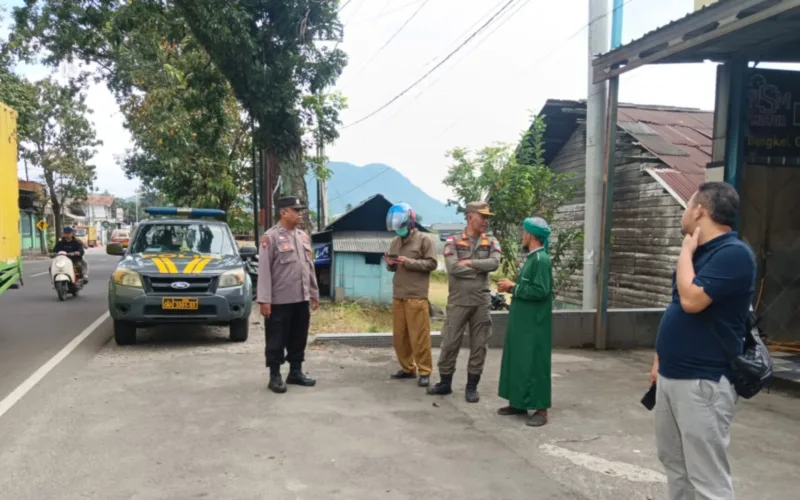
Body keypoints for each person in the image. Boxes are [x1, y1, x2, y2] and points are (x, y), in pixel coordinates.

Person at [650, 182, 756, 500]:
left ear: (699, 210)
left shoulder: (734, 254)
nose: (685, 212)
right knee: (676, 468)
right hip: (673, 376)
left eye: (688, 205)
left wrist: (684, 252)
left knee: (707, 480)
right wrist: (659, 360)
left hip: (703, 381)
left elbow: (692, 301)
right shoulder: (701, 252)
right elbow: (674, 304)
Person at [428, 201, 501, 402]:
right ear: (470, 217)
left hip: (481, 302)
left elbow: (494, 263)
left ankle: (472, 386)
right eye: (483, 216)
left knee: (479, 344)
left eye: (488, 218)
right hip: (458, 301)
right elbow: (452, 268)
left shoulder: (491, 241)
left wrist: (469, 262)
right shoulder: (453, 241)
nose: (486, 221)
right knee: (450, 342)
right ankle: (445, 383)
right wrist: (479, 269)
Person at [257, 196, 320, 394]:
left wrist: (314, 293)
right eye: (296, 209)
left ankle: (295, 372)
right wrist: (264, 300)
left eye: (300, 209)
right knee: (276, 338)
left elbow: (309, 267)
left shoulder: (303, 236)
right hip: (279, 300)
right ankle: (274, 376)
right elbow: (264, 271)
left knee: (299, 336)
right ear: (284, 212)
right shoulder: (271, 237)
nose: (300, 213)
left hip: (301, 298)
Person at [496, 217, 553, 427]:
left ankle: (540, 409)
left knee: (535, 362)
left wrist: (513, 287)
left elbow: (541, 291)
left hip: (534, 324)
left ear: (530, 234)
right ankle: (518, 402)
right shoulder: (532, 258)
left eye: (524, 232)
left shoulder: (541, 260)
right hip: (523, 322)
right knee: (519, 360)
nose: (522, 235)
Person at [385, 203, 438, 387]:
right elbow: (392, 266)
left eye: (400, 227)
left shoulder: (424, 240)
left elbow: (432, 264)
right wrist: (390, 263)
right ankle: (408, 368)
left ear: (410, 223)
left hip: (416, 295)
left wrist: (409, 262)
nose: (398, 231)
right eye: (396, 228)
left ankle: (424, 371)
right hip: (398, 294)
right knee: (400, 336)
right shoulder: (395, 242)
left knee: (419, 336)